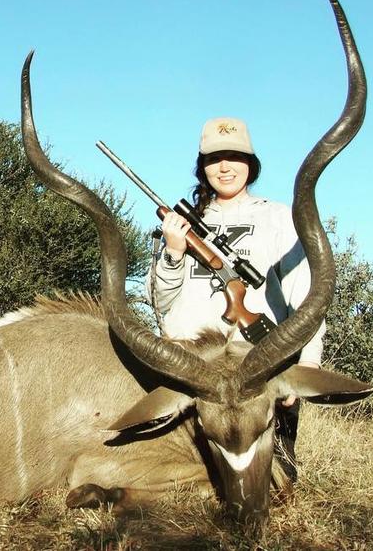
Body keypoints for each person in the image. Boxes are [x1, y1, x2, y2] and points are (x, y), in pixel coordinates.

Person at [145, 116, 324, 482]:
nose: (224, 167)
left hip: (255, 375)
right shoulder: (180, 226)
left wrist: (306, 367)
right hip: (193, 373)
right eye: (214, 159)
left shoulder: (279, 218)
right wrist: (174, 252)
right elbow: (160, 301)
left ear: (250, 164)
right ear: (203, 167)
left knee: (276, 484)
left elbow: (305, 297)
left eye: (234, 156)